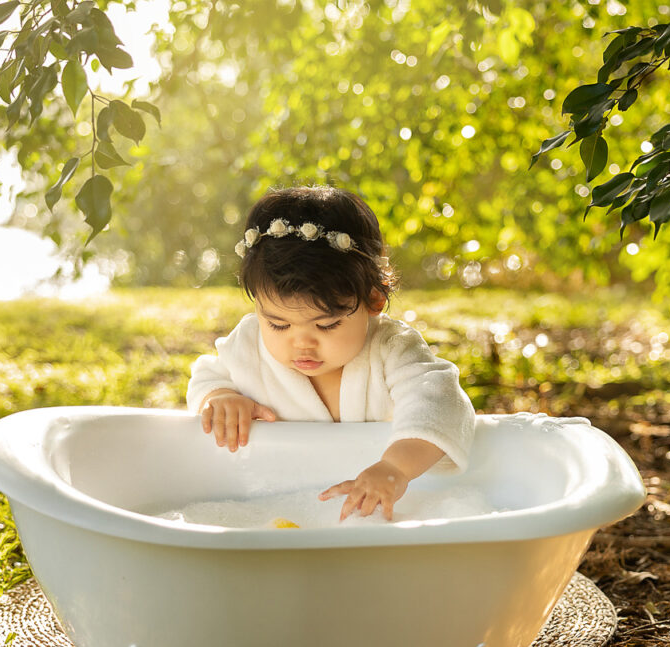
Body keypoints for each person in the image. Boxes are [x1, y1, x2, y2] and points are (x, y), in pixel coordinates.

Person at [187, 185, 475, 521]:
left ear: (373, 301)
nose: (302, 343)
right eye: (278, 325)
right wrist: (221, 397)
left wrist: (396, 466)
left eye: (325, 326)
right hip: (276, 503)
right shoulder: (250, 343)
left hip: (370, 511)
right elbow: (208, 374)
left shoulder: (392, 348)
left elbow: (440, 403)